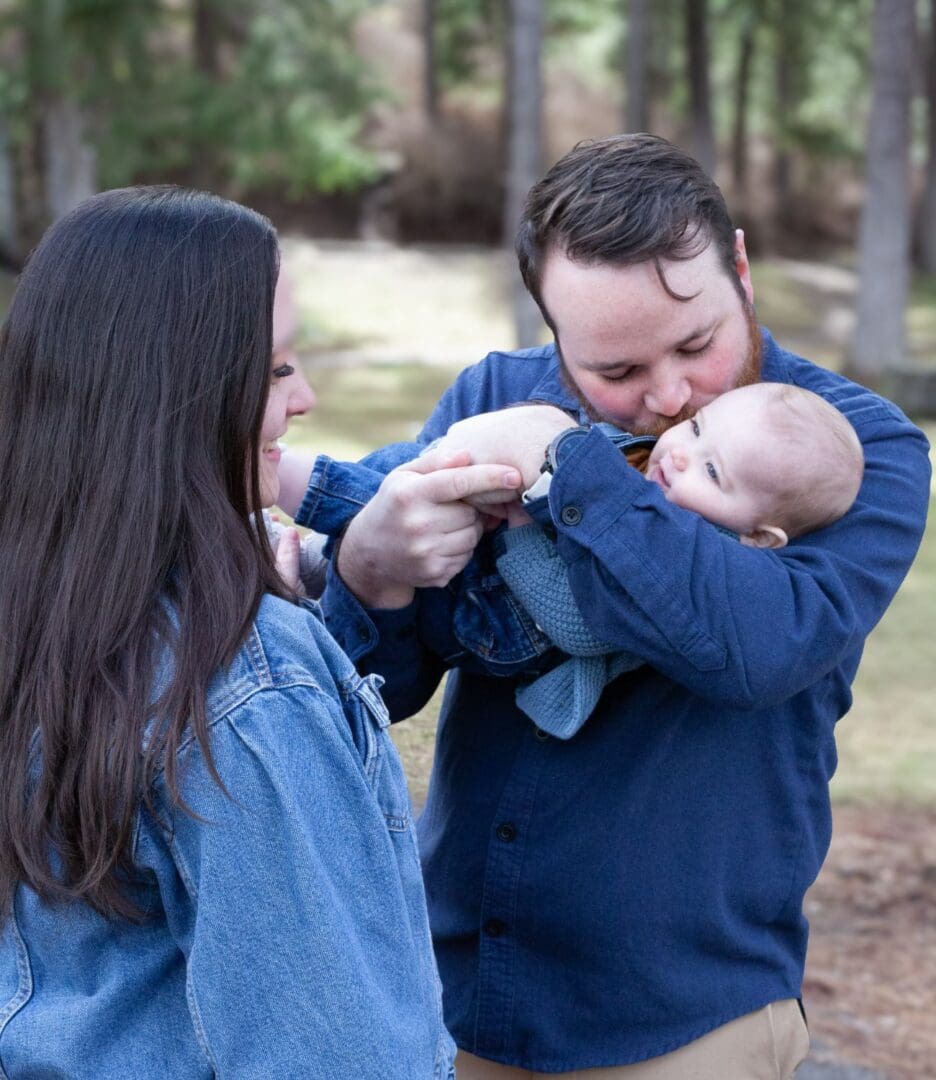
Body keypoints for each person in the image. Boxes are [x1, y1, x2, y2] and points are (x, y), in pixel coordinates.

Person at [279, 135, 931, 1078]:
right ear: (552, 328)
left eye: (697, 345)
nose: (667, 398)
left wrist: (567, 459)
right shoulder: (497, 395)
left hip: (684, 1017)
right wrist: (372, 573)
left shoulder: (853, 450)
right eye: (615, 372)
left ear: (740, 270)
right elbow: (386, 685)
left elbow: (757, 646)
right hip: (452, 988)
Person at [0, 186, 518, 1078]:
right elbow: (337, 1059)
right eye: (277, 370)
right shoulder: (244, 686)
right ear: (180, 394)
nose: (307, 397)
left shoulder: (39, 607)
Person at [294, 381, 865, 741]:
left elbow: (573, 623)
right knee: (419, 471)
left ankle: (293, 486)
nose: (682, 456)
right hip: (459, 553)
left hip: (491, 618)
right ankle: (301, 531)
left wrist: (519, 529)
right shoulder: (648, 465)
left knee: (408, 515)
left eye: (714, 472)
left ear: (760, 538)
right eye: (695, 428)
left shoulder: (689, 569)